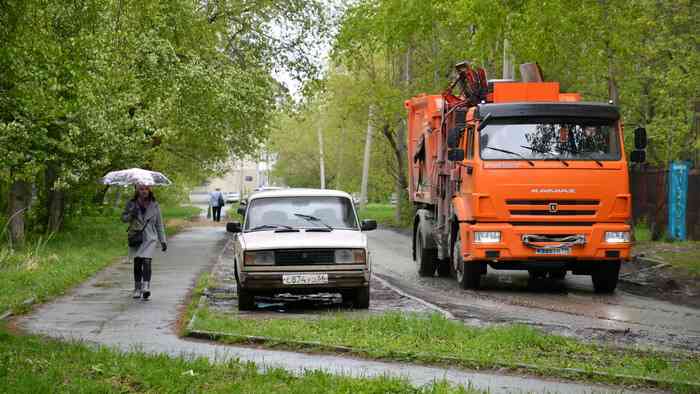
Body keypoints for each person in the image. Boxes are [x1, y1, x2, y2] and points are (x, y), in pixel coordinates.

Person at [122, 184, 167, 300]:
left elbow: (159, 224)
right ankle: (137, 288)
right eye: (141, 189)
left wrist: (163, 240)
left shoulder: (154, 205)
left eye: (146, 189)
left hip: (150, 237)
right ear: (137, 190)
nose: (144, 191)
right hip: (136, 236)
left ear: (150, 190)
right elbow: (123, 218)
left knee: (147, 261)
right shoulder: (131, 203)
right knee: (137, 262)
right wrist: (132, 214)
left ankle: (146, 287)